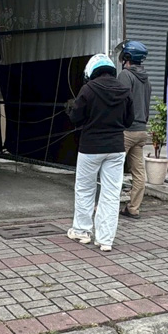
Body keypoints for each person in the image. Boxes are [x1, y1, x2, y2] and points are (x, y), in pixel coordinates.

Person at [65, 53, 133, 252]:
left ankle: (82, 231)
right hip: (116, 148)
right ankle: (105, 240)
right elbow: (129, 121)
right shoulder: (124, 90)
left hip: (90, 148)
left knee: (85, 189)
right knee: (111, 194)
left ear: (91, 71)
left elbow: (76, 116)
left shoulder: (88, 89)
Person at [117, 41, 151, 219]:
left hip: (126, 131)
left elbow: (120, 102)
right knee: (138, 172)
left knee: (113, 169)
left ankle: (107, 205)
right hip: (141, 131)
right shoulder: (146, 79)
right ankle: (133, 208)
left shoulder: (125, 75)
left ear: (128, 57)